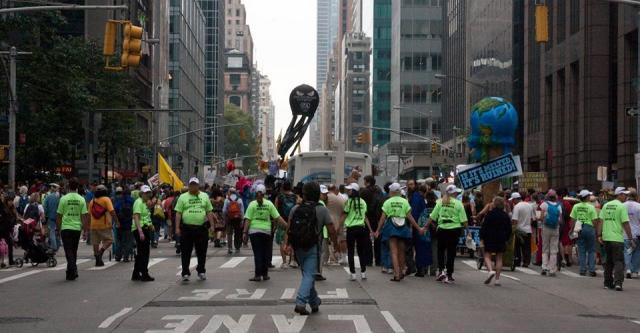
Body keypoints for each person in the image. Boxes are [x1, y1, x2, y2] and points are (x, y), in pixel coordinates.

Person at [285, 182, 339, 315]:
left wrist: (288, 245)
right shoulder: (321, 209)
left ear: (304, 194)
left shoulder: (295, 209)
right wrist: (335, 244)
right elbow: (331, 229)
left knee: (307, 275)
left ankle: (314, 302)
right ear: (317, 195)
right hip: (313, 247)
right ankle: (300, 302)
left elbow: (289, 228)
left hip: (298, 247)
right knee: (309, 275)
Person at [375, 183, 424, 281]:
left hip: (391, 226)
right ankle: (401, 271)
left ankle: (396, 274)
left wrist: (377, 230)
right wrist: (419, 228)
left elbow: (382, 218)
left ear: (391, 192)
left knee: (394, 252)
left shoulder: (388, 202)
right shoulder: (404, 201)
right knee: (402, 251)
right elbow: (410, 217)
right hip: (403, 227)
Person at [175, 177, 217, 281]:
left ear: (198, 186)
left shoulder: (204, 196)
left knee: (202, 251)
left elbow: (209, 212)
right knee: (186, 251)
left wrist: (212, 226)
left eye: (195, 185)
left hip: (201, 228)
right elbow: (178, 213)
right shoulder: (182, 197)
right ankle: (185, 272)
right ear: (189, 186)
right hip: (187, 228)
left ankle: (201, 270)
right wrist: (176, 227)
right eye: (191, 185)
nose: (193, 186)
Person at [243, 184, 287, 281]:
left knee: (257, 253)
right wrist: (288, 226)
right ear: (264, 194)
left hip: (254, 232)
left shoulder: (252, 204)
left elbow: (248, 220)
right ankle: (265, 274)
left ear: (255, 193)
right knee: (265, 253)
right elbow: (277, 217)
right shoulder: (269, 204)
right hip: (266, 231)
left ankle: (258, 275)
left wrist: (245, 232)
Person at [428, 184, 467, 283]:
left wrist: (424, 227)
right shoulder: (458, 204)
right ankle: (449, 274)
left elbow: (432, 217)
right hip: (454, 229)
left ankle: (441, 271)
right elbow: (464, 220)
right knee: (451, 252)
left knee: (440, 251)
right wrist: (468, 231)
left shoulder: (440, 202)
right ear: (454, 193)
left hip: (442, 229)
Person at [598, 187, 635, 291]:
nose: (626, 197)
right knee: (619, 261)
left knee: (608, 262)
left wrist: (599, 235)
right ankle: (618, 283)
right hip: (617, 239)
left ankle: (607, 283)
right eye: (624, 194)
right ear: (619, 195)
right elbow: (626, 223)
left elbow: (601, 221)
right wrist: (630, 238)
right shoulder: (621, 206)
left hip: (606, 238)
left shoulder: (606, 205)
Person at [56, 178, 89, 281]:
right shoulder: (81, 199)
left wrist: (58, 229)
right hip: (76, 228)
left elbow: (59, 216)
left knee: (68, 250)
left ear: (68, 186)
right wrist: (85, 230)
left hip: (66, 228)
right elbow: (84, 216)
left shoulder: (63, 199)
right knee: (73, 250)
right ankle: (70, 273)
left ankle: (73, 269)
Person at [340, 183, 374, 281]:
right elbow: (365, 217)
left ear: (354, 191)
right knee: (361, 251)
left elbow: (345, 215)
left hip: (351, 229)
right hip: (362, 228)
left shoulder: (348, 202)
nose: (348, 191)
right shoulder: (363, 202)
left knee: (350, 251)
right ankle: (363, 273)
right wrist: (370, 229)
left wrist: (339, 226)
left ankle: (353, 273)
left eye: (350, 190)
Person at [480, 197, 513, 286]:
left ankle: (490, 270)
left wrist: (482, 237)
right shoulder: (505, 215)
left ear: (494, 204)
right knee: (499, 258)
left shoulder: (489, 214)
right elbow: (509, 229)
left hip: (489, 237)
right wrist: (506, 238)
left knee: (487, 255)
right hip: (501, 238)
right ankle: (497, 280)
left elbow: (484, 227)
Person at [569, 189, 599, 276]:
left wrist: (571, 229)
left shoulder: (576, 206)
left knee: (581, 250)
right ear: (587, 197)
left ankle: (582, 270)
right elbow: (594, 221)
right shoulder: (591, 207)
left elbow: (573, 219)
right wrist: (596, 231)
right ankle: (592, 270)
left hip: (579, 228)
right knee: (591, 250)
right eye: (589, 196)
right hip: (589, 228)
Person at [88, 185, 118, 266]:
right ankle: (100, 252)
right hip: (104, 224)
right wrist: (117, 221)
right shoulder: (106, 199)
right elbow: (112, 212)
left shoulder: (92, 201)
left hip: (93, 225)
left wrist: (87, 226)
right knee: (109, 240)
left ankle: (98, 260)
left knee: (95, 242)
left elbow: (89, 214)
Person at [131, 185, 155, 282]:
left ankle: (136, 273)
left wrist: (150, 225)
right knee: (144, 253)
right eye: (145, 193)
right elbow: (136, 217)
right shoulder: (138, 202)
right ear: (141, 194)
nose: (147, 195)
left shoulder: (145, 203)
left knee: (141, 252)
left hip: (145, 228)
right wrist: (140, 232)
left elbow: (146, 217)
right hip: (140, 229)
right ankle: (144, 274)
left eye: (148, 193)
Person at [359, 175, 383, 267]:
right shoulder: (379, 191)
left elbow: (362, 204)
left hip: (368, 216)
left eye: (364, 181)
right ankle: (378, 260)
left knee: (366, 238)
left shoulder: (364, 191)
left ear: (368, 182)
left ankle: (368, 260)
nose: (364, 183)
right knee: (378, 237)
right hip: (378, 217)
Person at [539, 189, 562, 276]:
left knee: (545, 248)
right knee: (554, 250)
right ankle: (552, 269)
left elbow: (541, 217)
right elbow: (560, 220)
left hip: (545, 228)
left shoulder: (544, 204)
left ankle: (544, 267)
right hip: (555, 229)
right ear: (555, 196)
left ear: (547, 196)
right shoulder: (559, 206)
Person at [275, 180, 298, 268]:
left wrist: (275, 224)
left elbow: (275, 211)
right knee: (292, 240)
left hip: (282, 221)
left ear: (282, 187)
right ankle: (292, 260)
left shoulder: (279, 197)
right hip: (293, 221)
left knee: (282, 241)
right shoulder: (295, 197)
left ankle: (284, 262)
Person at [511, 192, 535, 268]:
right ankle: (526, 262)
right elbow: (532, 219)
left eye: (513, 200)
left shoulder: (517, 207)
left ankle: (517, 261)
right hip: (528, 230)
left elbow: (515, 220)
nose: (512, 202)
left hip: (519, 230)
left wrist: (513, 228)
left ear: (515, 199)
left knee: (517, 247)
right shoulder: (529, 205)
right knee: (527, 247)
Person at [326, 184, 347, 264]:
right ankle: (337, 257)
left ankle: (330, 258)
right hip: (338, 221)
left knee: (328, 240)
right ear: (335, 189)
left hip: (327, 220)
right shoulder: (341, 199)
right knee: (338, 239)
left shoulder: (325, 197)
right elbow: (345, 212)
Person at [114, 188, 134, 262]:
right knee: (128, 241)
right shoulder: (132, 200)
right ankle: (126, 257)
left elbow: (114, 210)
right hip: (129, 224)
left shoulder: (119, 201)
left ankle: (118, 256)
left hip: (120, 224)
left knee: (119, 240)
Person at [623, 190, 640, 279]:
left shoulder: (623, 206)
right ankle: (635, 271)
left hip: (625, 233)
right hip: (637, 233)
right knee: (637, 252)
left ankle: (628, 269)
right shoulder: (639, 206)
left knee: (627, 251)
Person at [223, 188, 244, 255]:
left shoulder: (227, 200)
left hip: (229, 219)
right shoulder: (239, 200)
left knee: (229, 233)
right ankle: (237, 247)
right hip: (237, 219)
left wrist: (225, 217)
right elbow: (242, 210)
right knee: (237, 232)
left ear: (230, 192)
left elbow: (224, 210)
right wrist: (242, 219)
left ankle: (230, 248)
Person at [43, 184, 60, 251]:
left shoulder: (48, 197)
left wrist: (45, 215)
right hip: (58, 216)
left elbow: (45, 207)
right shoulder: (58, 197)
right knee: (56, 231)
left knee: (52, 232)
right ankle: (56, 244)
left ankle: (54, 246)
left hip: (51, 216)